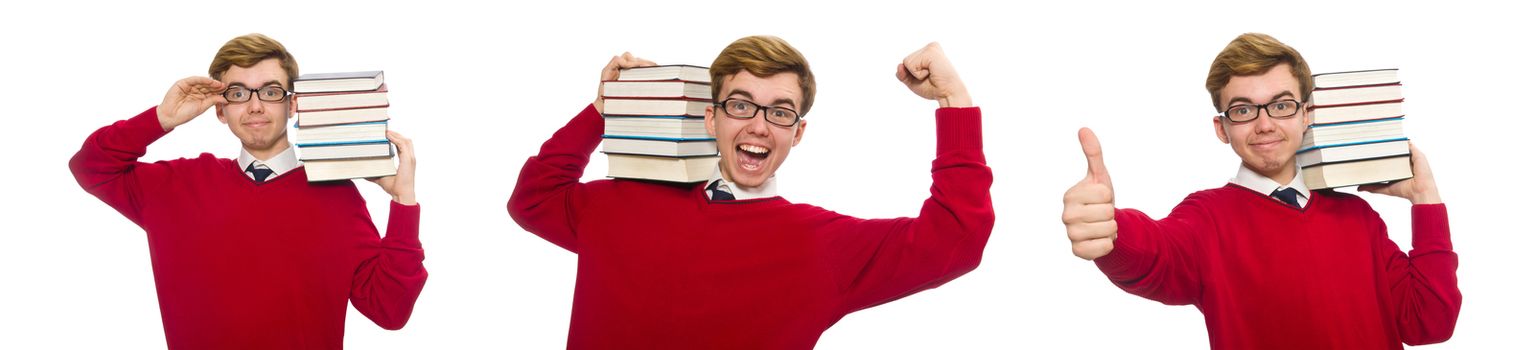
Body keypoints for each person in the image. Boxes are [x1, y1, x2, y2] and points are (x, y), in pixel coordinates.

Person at [508, 36, 993, 348]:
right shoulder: (620, 203)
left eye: (780, 111)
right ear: (711, 118)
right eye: (741, 105)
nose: (759, 126)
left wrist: (955, 100)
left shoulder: (821, 245)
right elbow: (533, 198)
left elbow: (957, 237)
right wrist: (603, 107)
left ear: (797, 132)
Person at [1060, 33, 1460, 349]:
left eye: (1281, 105)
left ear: (1307, 115)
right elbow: (1157, 254)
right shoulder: (1206, 218)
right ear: (1222, 128)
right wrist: (1112, 233)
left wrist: (1426, 199)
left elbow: (1429, 322)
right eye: (1243, 110)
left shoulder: (1358, 217)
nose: (1265, 124)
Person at [68, 33, 426, 349]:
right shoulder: (174, 186)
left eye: (270, 91)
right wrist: (161, 118)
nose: (255, 106)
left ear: (293, 104)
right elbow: (90, 167)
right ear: (220, 109)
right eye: (238, 93)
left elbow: (389, 310)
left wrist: (402, 202)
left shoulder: (338, 196)